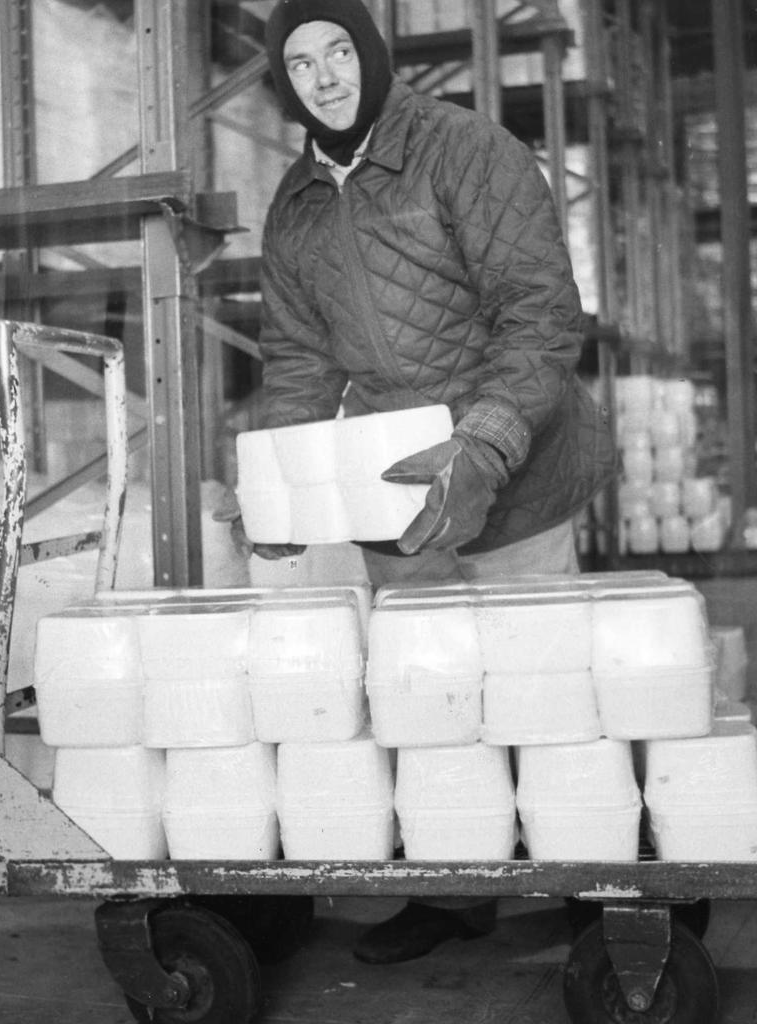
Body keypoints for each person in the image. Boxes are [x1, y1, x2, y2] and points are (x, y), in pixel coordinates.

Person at [245, 0, 617, 964]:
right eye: (302, 62)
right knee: (430, 702)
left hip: (518, 468)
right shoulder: (295, 208)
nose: (325, 75)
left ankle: (595, 890)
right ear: (285, 84)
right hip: (398, 488)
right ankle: (455, 892)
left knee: (544, 698)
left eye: (339, 52)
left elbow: (538, 316)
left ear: (369, 55)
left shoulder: (464, 149)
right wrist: (276, 484)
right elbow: (295, 363)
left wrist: (485, 443)